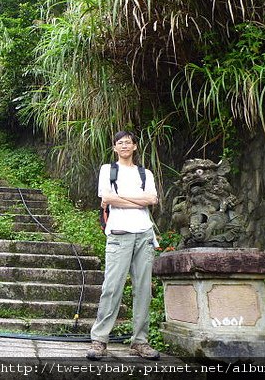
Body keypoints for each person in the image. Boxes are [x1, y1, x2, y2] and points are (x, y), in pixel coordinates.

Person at [86, 130, 160, 360]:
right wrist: (137, 200)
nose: (125, 146)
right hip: (119, 235)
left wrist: (123, 199)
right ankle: (100, 340)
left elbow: (152, 200)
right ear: (115, 148)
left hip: (144, 234)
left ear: (135, 147)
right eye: (120, 143)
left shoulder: (145, 172)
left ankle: (140, 341)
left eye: (128, 142)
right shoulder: (108, 170)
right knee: (112, 287)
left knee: (143, 290)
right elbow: (107, 198)